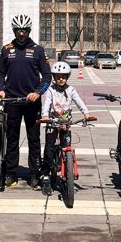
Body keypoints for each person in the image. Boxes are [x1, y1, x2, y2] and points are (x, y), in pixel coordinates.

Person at [0, 14, 52, 189]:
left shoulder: (38, 50)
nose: (21, 33)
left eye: (25, 30)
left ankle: (34, 174)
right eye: (18, 30)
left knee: (34, 139)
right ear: (14, 30)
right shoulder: (6, 49)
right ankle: (11, 173)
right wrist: (0, 89)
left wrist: (38, 92)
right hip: (12, 100)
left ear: (29, 30)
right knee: (12, 138)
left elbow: (47, 76)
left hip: (31, 102)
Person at [40, 61, 92, 194]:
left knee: (66, 146)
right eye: (58, 77)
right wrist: (45, 115)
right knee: (49, 148)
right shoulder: (51, 90)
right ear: (54, 77)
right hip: (52, 123)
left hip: (66, 124)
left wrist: (86, 113)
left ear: (67, 77)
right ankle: (45, 175)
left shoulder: (71, 90)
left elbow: (79, 101)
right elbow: (47, 103)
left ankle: (66, 169)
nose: (61, 79)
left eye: (63, 76)